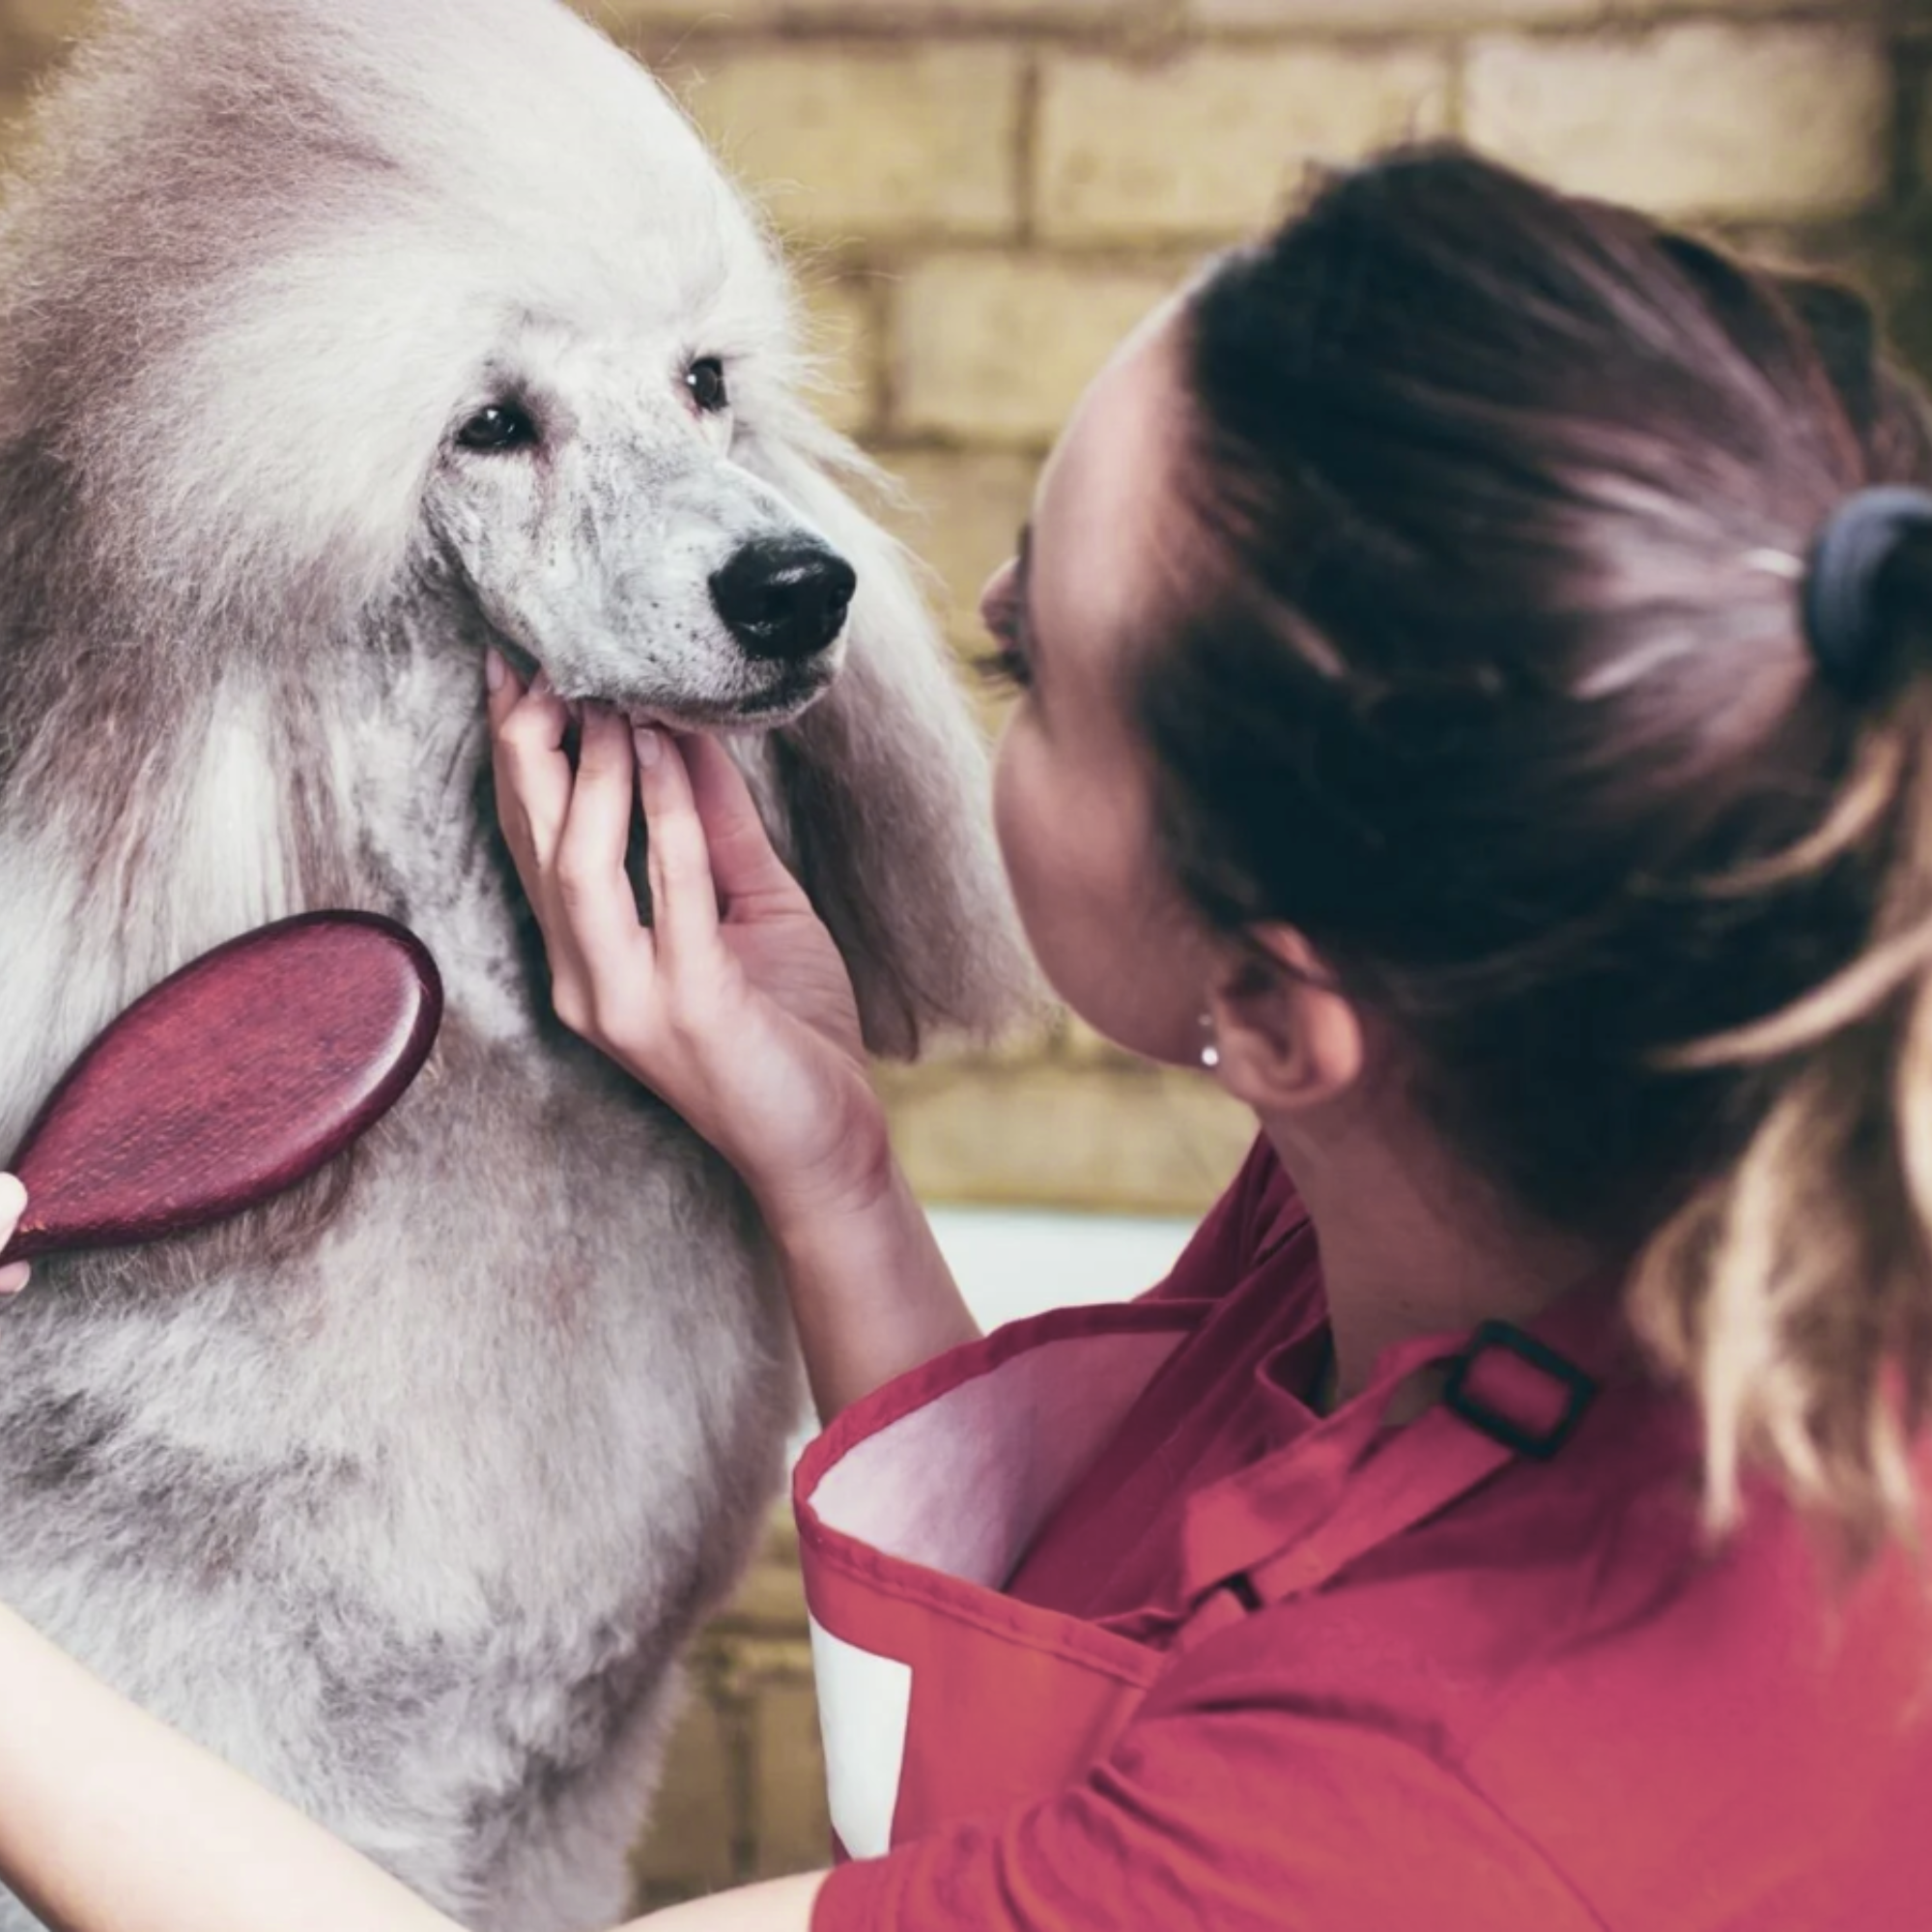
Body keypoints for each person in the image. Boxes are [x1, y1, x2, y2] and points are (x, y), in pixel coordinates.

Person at [1, 141, 1930, 1931]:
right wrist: (821, 1156)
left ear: (1270, 1010)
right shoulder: (1519, 1111)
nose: (950, 628)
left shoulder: (1429, 1807)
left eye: (1031, 670)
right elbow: (1074, 1660)